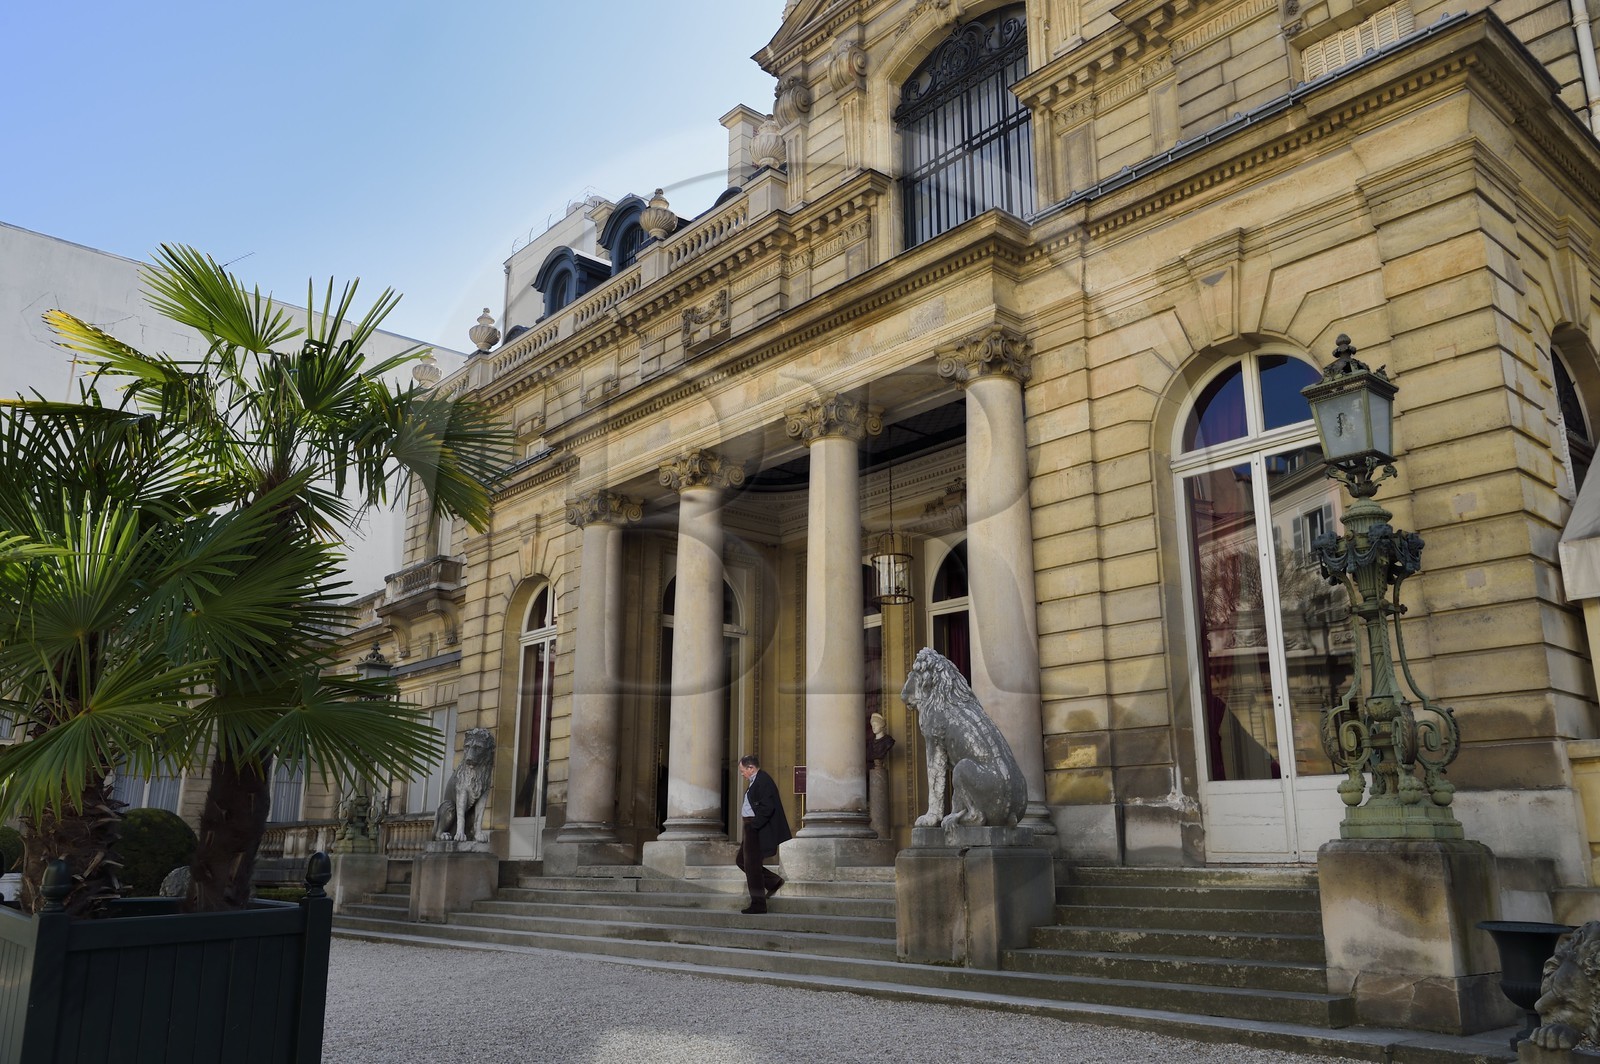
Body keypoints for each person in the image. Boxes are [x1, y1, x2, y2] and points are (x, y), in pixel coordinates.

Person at [735, 754, 791, 914]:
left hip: (754, 827)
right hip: (750, 827)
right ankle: (773, 881)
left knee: (752, 866)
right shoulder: (756, 781)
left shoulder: (763, 781)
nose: (741, 774)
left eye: (742, 770)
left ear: (750, 768)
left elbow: (768, 807)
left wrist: (754, 826)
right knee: (742, 861)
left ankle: (758, 904)